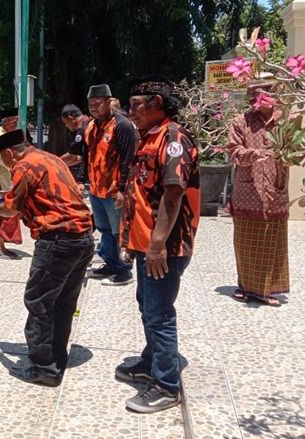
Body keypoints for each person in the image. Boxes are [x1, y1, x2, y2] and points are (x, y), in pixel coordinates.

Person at [0, 128, 94, 386]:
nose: (6, 165)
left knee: (39, 302)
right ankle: (56, 357)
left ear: (9, 152)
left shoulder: (24, 165)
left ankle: (43, 368)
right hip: (83, 238)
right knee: (63, 302)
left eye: (4, 160)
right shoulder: (50, 158)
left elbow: (11, 209)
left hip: (57, 239)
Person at [116, 75, 200, 413]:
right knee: (148, 306)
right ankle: (152, 361)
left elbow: (173, 191)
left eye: (136, 105)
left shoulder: (173, 138)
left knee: (159, 313)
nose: (130, 110)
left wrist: (156, 244)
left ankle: (166, 384)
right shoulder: (147, 137)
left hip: (164, 247)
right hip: (146, 244)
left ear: (157, 104)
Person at [227, 81, 289, 307]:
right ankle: (245, 286)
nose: (254, 103)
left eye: (259, 98)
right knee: (245, 241)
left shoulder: (286, 122)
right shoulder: (240, 122)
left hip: (275, 190)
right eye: (251, 99)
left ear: (272, 98)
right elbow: (233, 151)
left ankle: (268, 289)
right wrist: (253, 154)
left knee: (272, 240)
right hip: (247, 192)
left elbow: (294, 150)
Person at [80, 84, 136, 286]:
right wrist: (81, 181)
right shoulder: (90, 126)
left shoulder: (122, 125)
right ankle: (110, 264)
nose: (93, 108)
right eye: (90, 104)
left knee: (118, 230)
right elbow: (86, 156)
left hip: (114, 191)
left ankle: (124, 271)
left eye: (97, 103)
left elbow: (128, 160)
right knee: (104, 229)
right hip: (95, 189)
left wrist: (122, 189)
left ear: (108, 101)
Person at [0, 107, 23, 260]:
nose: (15, 124)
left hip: (11, 180)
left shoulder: (10, 135)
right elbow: (0, 159)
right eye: (13, 121)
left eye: (17, 121)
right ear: (5, 121)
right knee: (5, 214)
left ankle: (2, 245)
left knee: (10, 214)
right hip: (3, 183)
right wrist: (19, 164)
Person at [59, 104, 91, 191]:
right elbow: (79, 158)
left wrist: (55, 163)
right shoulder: (89, 122)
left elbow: (72, 157)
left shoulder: (82, 129)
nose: (66, 126)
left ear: (70, 118)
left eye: (65, 123)